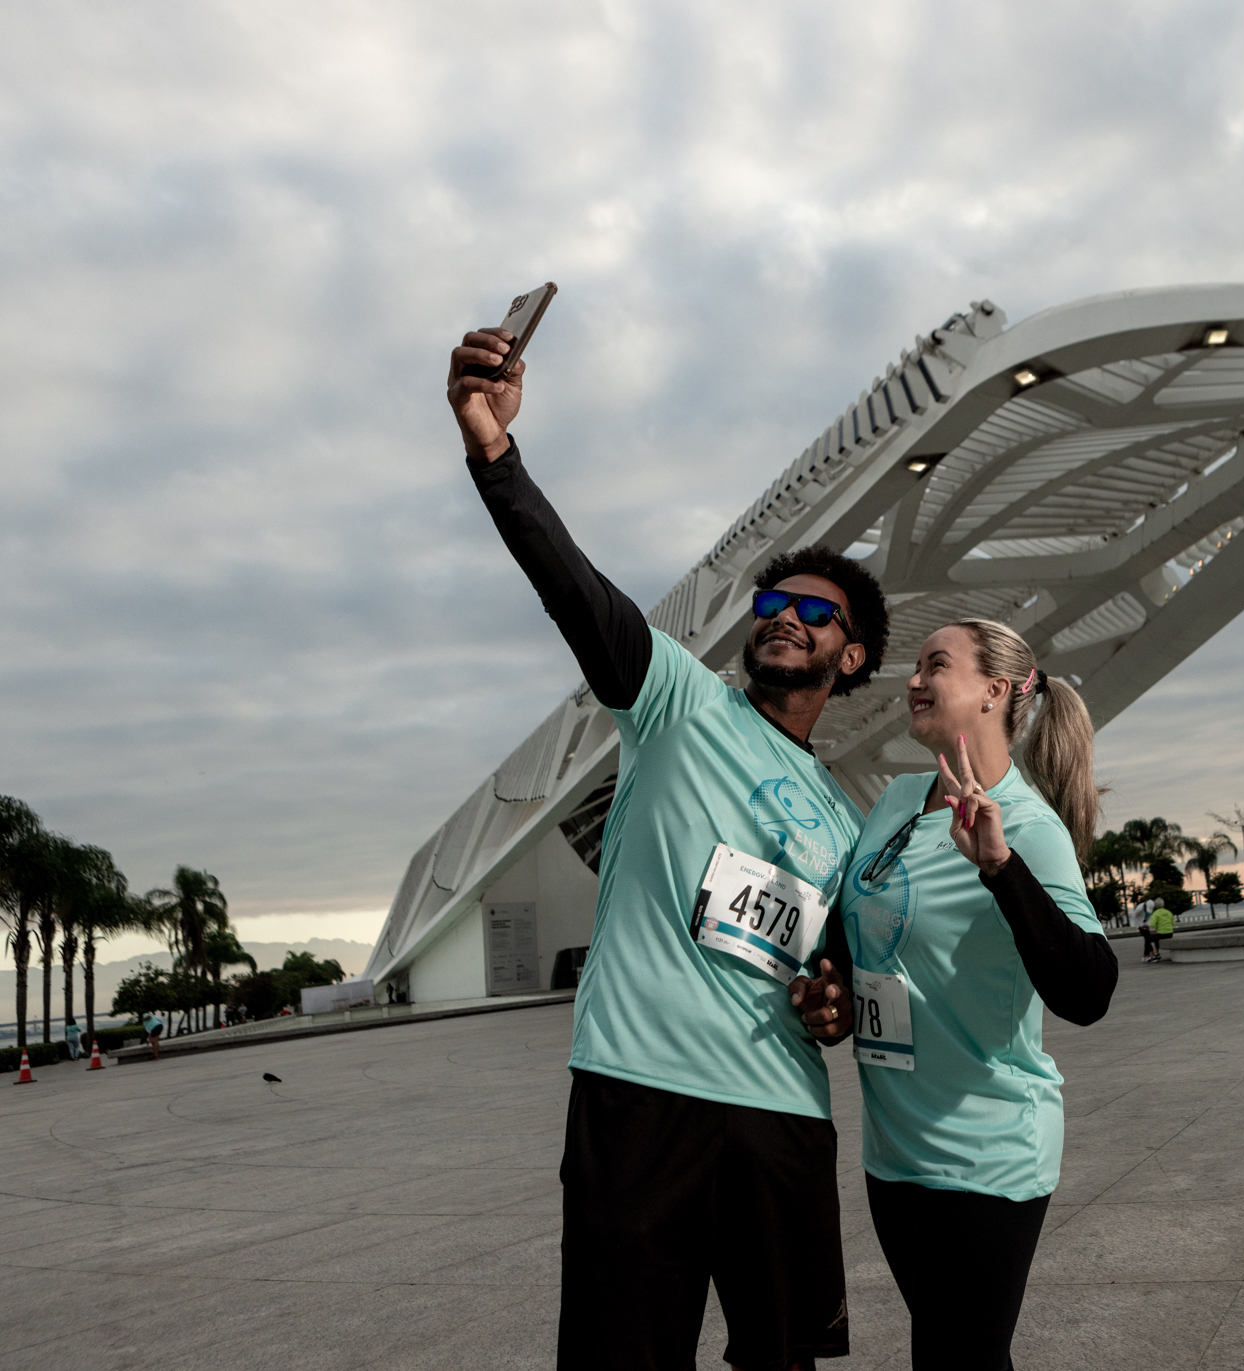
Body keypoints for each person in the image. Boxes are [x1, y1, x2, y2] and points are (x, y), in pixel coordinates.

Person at [448, 323, 893, 1369]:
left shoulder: (845, 825)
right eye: (774, 604)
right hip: (639, 1094)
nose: (785, 618)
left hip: (781, 1113)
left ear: (852, 656)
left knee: (783, 1358)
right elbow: (572, 585)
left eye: (815, 612)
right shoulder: (679, 703)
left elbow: (834, 977)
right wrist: (492, 448)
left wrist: (830, 1002)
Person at [792, 617, 1117, 1371]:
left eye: (936, 664)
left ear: (994, 690)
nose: (913, 680)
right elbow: (865, 943)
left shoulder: (1028, 827)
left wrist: (1000, 868)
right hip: (894, 1154)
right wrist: (833, 1000)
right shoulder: (897, 800)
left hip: (985, 1152)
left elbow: (1090, 990)